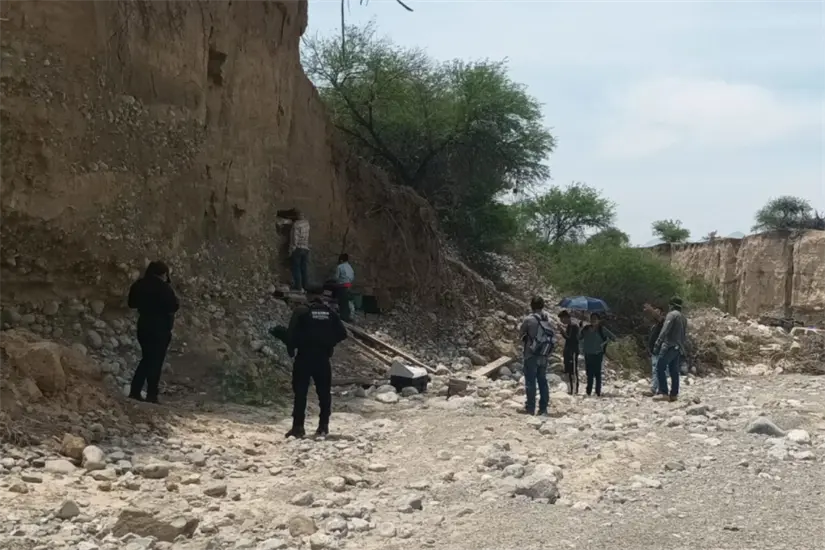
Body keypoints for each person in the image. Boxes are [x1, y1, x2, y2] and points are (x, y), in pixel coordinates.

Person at [285, 285, 348, 438]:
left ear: (307, 295)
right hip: (322, 358)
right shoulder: (329, 313)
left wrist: (291, 349)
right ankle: (323, 426)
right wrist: (329, 342)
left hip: (304, 357)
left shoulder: (301, 311)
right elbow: (342, 333)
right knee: (324, 393)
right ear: (321, 296)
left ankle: (298, 427)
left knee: (300, 393)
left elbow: (291, 333)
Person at [128, 261, 179, 404]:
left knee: (146, 358)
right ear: (164, 274)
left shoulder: (139, 284)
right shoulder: (164, 288)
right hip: (160, 328)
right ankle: (151, 394)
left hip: (143, 325)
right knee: (155, 361)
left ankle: (135, 391)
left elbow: (131, 304)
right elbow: (173, 306)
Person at [519, 296, 555, 416]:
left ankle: (530, 408)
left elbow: (521, 334)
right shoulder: (549, 320)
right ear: (543, 305)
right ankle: (543, 408)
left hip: (531, 354)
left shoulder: (529, 319)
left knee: (530, 382)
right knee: (542, 381)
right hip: (544, 355)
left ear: (531, 306)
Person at [653, 296, 688, 402]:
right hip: (679, 347)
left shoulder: (671, 315)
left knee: (660, 367)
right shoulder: (683, 318)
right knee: (674, 371)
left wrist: (658, 342)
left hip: (669, 346)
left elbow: (665, 330)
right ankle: (674, 394)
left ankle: (663, 392)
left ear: (671, 305)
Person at [579, 312, 615, 397]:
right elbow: (579, 337)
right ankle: (589, 391)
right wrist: (580, 328)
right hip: (588, 353)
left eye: (595, 319)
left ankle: (598, 392)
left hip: (598, 354)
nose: (593, 320)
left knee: (597, 373)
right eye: (592, 319)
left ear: (599, 320)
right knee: (589, 373)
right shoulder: (586, 328)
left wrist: (604, 343)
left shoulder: (602, 329)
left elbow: (613, 337)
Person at [644, 303, 665, 397]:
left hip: (660, 350)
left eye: (657, 311)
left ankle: (654, 389)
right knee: (655, 370)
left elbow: (659, 318)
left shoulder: (663, 323)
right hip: (654, 351)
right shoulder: (654, 326)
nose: (655, 313)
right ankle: (658, 389)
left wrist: (651, 310)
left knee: (657, 370)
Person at [558, 310, 580, 395]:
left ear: (566, 317)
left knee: (573, 370)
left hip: (573, 350)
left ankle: (574, 389)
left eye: (562, 319)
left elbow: (569, 338)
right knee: (567, 370)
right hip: (568, 350)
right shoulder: (569, 326)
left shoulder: (574, 326)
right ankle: (570, 388)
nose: (562, 321)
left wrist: (561, 331)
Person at [289, 210, 311, 291]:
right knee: (303, 268)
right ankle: (305, 286)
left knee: (296, 268)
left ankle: (298, 286)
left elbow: (295, 238)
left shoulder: (296, 224)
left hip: (298, 248)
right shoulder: (307, 223)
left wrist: (292, 249)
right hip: (306, 248)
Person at [333, 253, 355, 322]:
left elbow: (336, 278)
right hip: (348, 286)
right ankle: (349, 316)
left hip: (341, 286)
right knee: (347, 302)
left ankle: (343, 318)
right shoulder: (350, 267)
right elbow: (352, 277)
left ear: (341, 260)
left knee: (342, 303)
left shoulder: (339, 266)